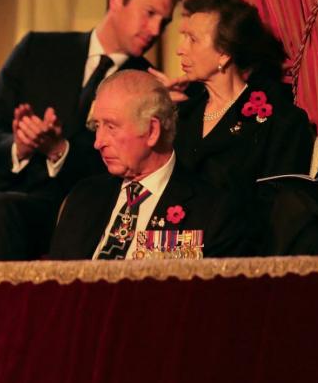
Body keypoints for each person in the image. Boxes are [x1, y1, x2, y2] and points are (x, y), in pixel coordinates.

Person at [0, 0, 178, 259]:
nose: (156, 29)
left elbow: (133, 163)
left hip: (83, 206)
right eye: (150, 13)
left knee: (3, 210)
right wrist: (19, 145)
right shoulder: (39, 49)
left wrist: (59, 150)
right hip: (11, 192)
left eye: (165, 21)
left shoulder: (147, 83)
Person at [50, 70, 247, 259]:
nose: (98, 142)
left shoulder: (212, 210)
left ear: (152, 131)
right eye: (97, 126)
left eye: (111, 127)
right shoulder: (83, 197)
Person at [171, 0, 314, 193]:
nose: (180, 49)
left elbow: (281, 205)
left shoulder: (280, 122)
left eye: (192, 40)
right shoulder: (182, 114)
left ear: (224, 54)